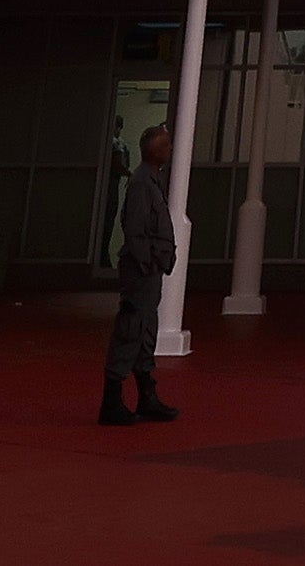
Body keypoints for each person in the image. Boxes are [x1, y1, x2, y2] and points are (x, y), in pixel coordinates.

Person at [95, 134, 179, 428]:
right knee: (131, 328)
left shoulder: (150, 180)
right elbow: (135, 227)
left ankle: (146, 395)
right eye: (166, 145)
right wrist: (148, 262)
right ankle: (113, 400)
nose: (170, 149)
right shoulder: (143, 183)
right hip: (141, 272)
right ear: (154, 150)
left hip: (148, 271)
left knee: (145, 331)